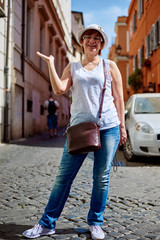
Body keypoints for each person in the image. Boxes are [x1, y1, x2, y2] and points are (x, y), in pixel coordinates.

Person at [23, 24, 127, 240]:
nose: (92, 40)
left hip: (108, 127)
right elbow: (60, 89)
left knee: (102, 178)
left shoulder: (110, 66)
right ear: (81, 42)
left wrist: (122, 128)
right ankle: (46, 224)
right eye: (88, 37)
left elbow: (119, 98)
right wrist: (51, 64)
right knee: (63, 178)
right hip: (79, 129)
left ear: (102, 45)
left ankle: (95, 223)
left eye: (97, 38)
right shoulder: (73, 67)